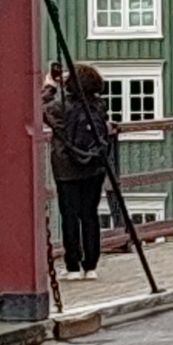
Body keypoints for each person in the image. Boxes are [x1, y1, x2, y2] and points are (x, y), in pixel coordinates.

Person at [44, 61, 115, 282]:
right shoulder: (99, 106)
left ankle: (73, 266)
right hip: (94, 165)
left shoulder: (60, 107)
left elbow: (41, 107)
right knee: (90, 214)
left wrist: (50, 86)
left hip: (67, 168)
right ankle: (91, 266)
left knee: (70, 216)